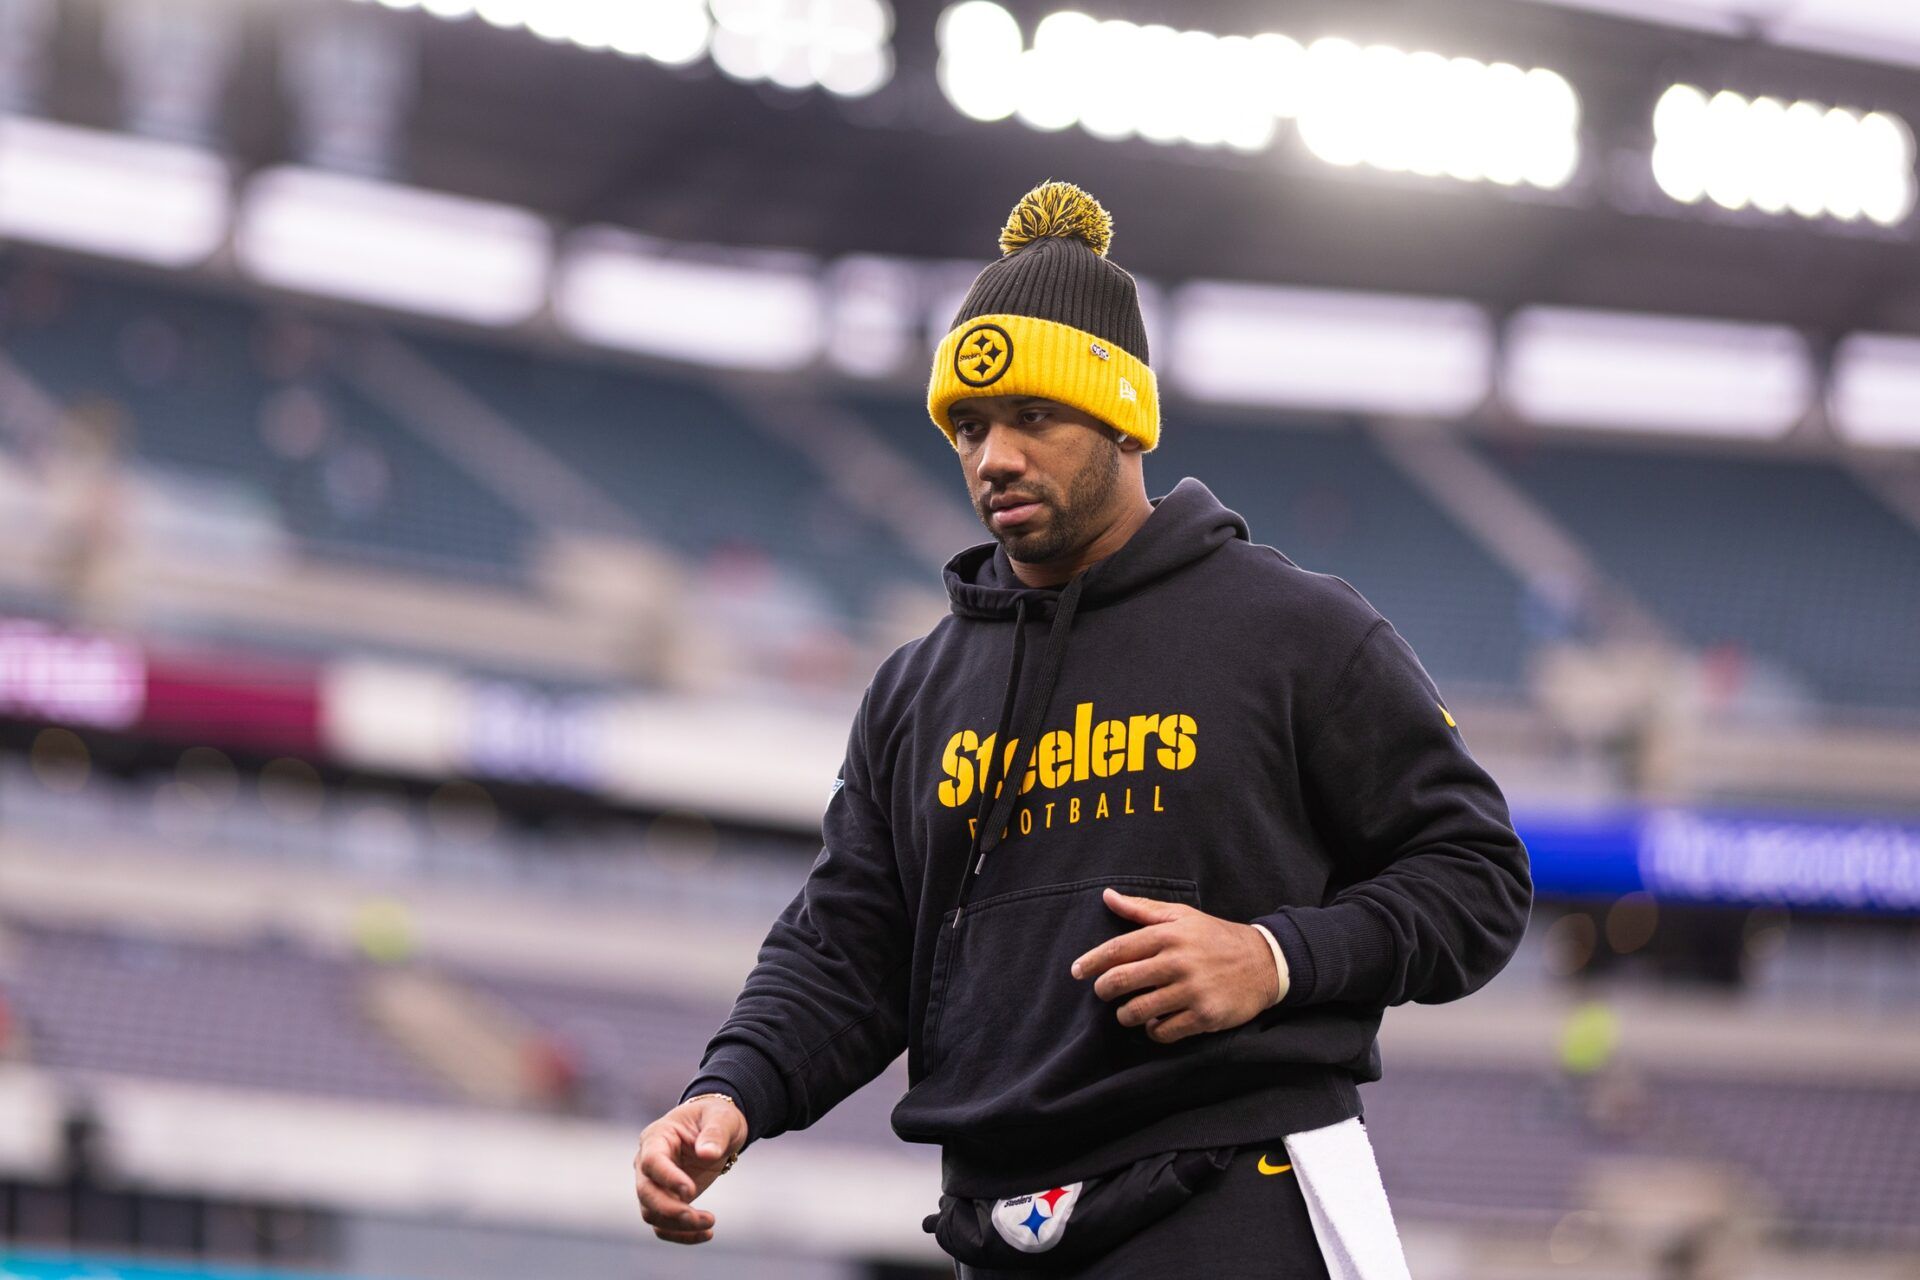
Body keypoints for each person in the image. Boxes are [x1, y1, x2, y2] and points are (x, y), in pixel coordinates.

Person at [633, 180, 1533, 1277]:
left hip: (1241, 1196)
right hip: (994, 1228)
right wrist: (730, 1090)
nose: (992, 457)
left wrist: (1274, 956)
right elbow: (847, 945)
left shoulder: (1295, 629)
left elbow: (1478, 874)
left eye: (1032, 416)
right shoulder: (915, 690)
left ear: (1121, 414)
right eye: (967, 426)